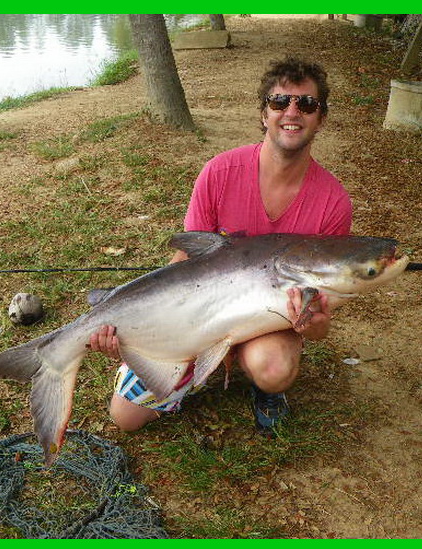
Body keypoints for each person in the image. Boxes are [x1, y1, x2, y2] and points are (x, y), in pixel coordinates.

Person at [90, 56, 352, 437]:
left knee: (274, 369)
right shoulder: (218, 172)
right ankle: (189, 368)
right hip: (199, 316)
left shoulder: (333, 203)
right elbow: (184, 260)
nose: (292, 112)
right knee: (125, 418)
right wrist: (131, 332)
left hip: (267, 325)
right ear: (265, 113)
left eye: (306, 104)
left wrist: (317, 326)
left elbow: (318, 319)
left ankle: (261, 387)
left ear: (320, 118)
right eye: (280, 102)